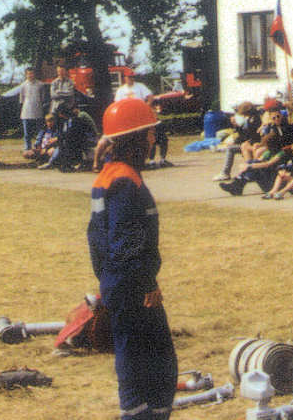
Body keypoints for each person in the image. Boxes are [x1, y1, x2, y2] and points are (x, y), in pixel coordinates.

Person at [87, 97, 177, 420]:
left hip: (117, 281)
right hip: (134, 286)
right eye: (149, 133)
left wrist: (106, 280)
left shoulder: (108, 176)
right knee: (158, 363)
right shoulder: (126, 182)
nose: (154, 139)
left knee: (133, 356)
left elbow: (96, 239)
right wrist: (146, 284)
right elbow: (128, 243)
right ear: (135, 138)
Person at [17, 68, 47, 151]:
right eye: (28, 74)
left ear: (35, 74)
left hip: (38, 111)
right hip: (26, 112)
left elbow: (43, 98)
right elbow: (21, 100)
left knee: (40, 130)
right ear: (26, 75)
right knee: (27, 133)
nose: (30, 75)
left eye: (32, 73)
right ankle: (27, 148)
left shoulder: (40, 84)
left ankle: (38, 146)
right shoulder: (23, 85)